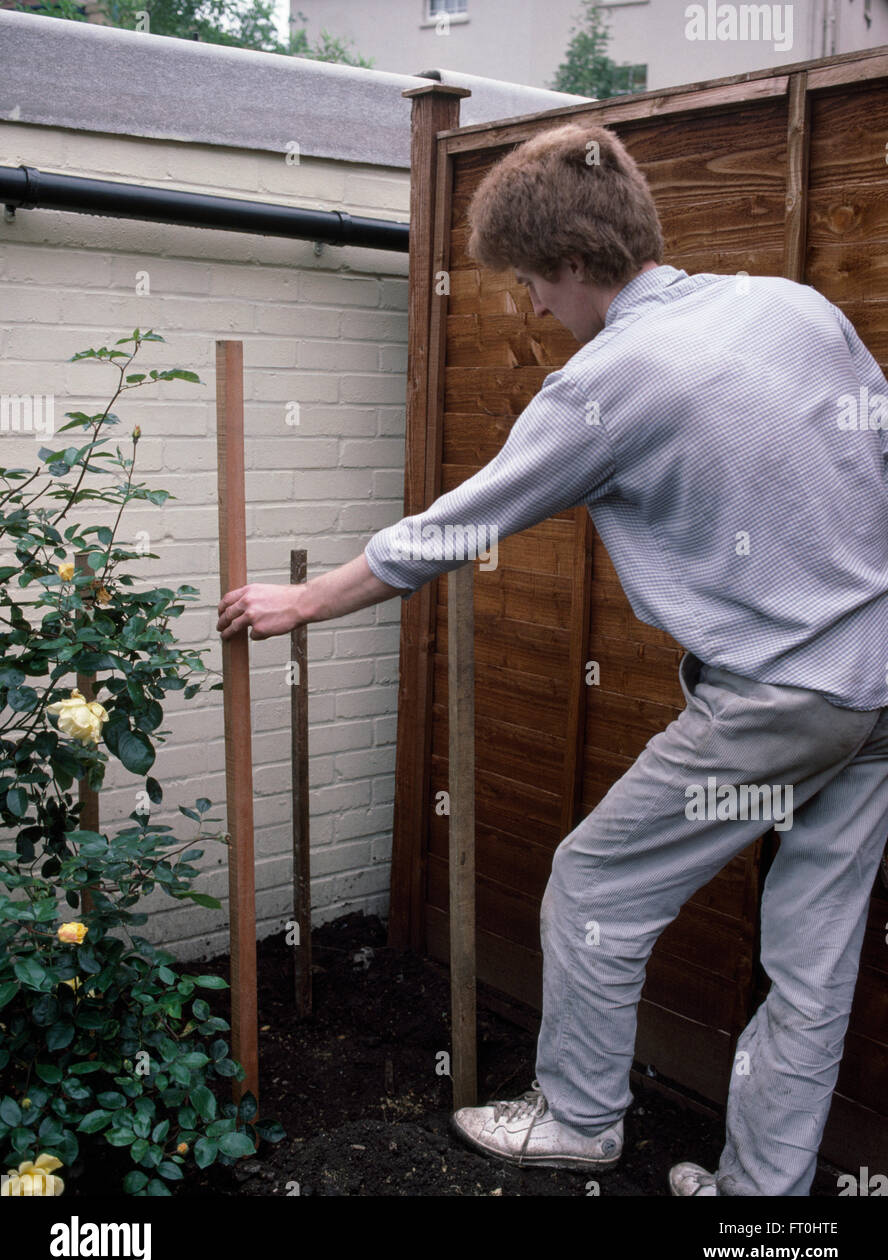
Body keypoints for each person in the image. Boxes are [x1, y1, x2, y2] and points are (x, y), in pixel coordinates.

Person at [217, 122, 888, 1197]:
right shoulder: (793, 307)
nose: (531, 304)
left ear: (573, 264)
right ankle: (764, 1202)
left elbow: (451, 527)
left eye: (532, 279)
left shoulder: (605, 383)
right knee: (812, 959)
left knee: (595, 886)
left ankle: (579, 1118)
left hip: (779, 698)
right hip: (878, 687)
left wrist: (305, 599)